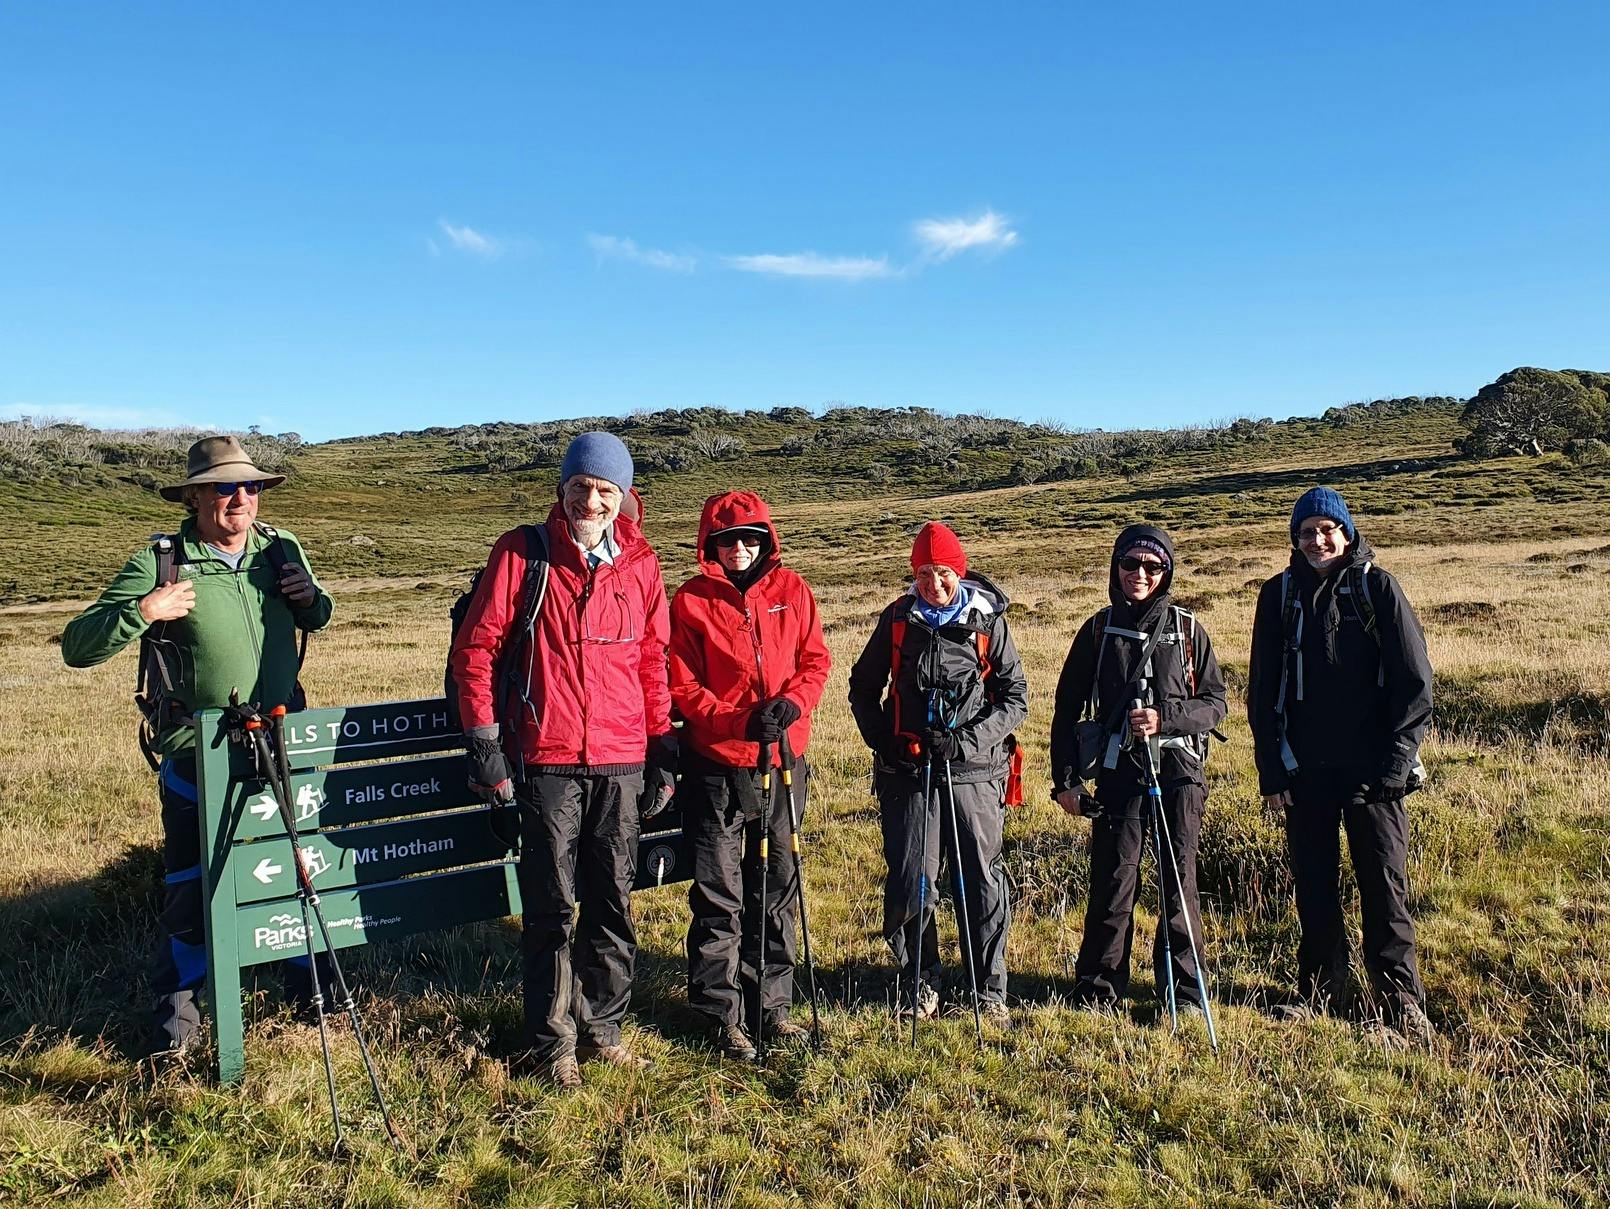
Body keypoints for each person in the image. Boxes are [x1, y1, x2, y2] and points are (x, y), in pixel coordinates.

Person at [61, 435, 332, 1057]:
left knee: (294, 870)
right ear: (193, 495)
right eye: (225, 487)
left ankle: (311, 991)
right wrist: (145, 610)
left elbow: (319, 615)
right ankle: (176, 1029)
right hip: (195, 751)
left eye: (252, 487)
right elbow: (78, 646)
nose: (241, 498)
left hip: (281, 740)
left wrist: (311, 600)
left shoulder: (281, 549)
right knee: (193, 887)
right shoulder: (162, 560)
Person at [449, 431, 675, 1089]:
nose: (592, 500)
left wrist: (661, 748)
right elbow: (477, 653)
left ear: (624, 496)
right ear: (563, 487)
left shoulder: (642, 564)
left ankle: (603, 1028)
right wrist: (487, 745)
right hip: (547, 760)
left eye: (605, 489)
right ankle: (552, 1045)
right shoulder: (525, 553)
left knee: (612, 904)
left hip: (621, 760)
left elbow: (652, 661)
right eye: (582, 486)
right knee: (552, 909)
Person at [1247, 486, 1435, 1046]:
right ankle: (1322, 990)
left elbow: (1415, 683)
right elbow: (1263, 690)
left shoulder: (1377, 588)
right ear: (1295, 539)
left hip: (1374, 771)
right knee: (1314, 884)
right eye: (1307, 531)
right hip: (1305, 769)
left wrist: (1398, 761)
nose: (1318, 540)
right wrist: (1272, 770)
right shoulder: (1277, 596)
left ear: (1347, 533)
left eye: (1328, 529)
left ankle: (1401, 1001)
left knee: (1384, 884)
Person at [669, 491, 831, 1061]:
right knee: (720, 891)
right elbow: (683, 685)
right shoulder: (689, 601)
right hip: (716, 766)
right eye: (727, 540)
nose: (739, 549)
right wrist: (738, 720)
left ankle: (772, 1008)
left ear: (767, 539)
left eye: (750, 538)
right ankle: (721, 1014)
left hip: (783, 760)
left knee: (778, 884)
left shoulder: (794, 591)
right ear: (709, 545)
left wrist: (791, 705)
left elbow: (815, 660)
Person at [848, 522, 1028, 1026]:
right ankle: (919, 982)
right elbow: (862, 686)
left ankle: (986, 992)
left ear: (959, 571)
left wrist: (963, 741)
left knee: (980, 881)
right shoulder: (899, 619)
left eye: (943, 573)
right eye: (924, 573)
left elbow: (1015, 699)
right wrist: (883, 739)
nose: (934, 584)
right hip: (907, 772)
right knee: (913, 879)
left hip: (974, 772)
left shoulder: (988, 623)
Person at [1049, 525, 1226, 1016]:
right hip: (1119, 772)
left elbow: (1215, 704)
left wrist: (1165, 717)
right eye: (1131, 564)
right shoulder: (1098, 631)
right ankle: (1098, 988)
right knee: (1113, 879)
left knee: (1179, 880)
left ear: (1166, 572)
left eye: (1153, 566)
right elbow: (1066, 708)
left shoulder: (1189, 630)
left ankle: (1184, 994)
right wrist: (1066, 780)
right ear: (1116, 567)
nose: (1140, 575)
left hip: (1179, 773)